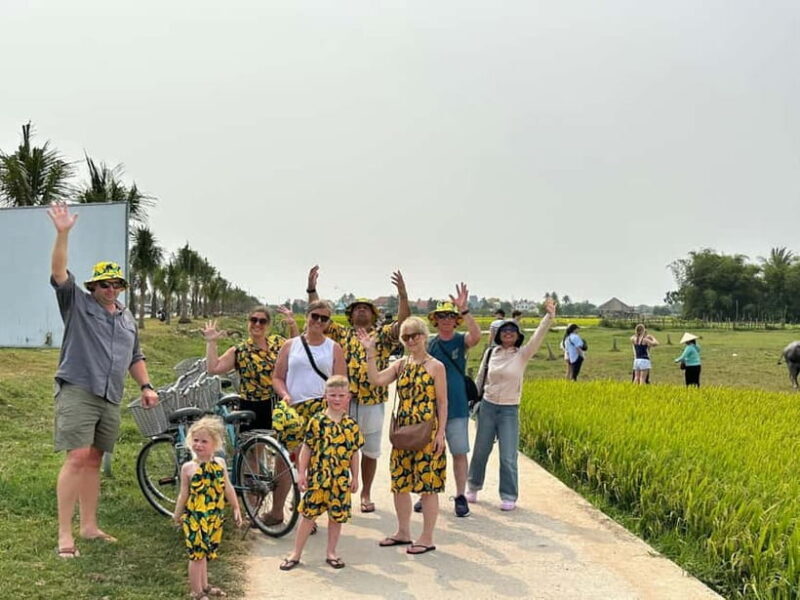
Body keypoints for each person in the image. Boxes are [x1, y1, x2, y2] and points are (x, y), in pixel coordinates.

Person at [47, 202, 159, 559]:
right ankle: (65, 534)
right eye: (105, 284)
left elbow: (135, 356)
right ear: (94, 285)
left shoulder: (127, 319)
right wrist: (63, 233)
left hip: (110, 396)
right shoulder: (77, 304)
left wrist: (146, 386)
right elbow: (59, 273)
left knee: (95, 460)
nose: (111, 289)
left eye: (117, 285)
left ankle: (89, 526)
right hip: (79, 388)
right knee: (77, 457)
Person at [306, 265, 410, 513]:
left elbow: (403, 323)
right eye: (357, 309)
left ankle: (365, 492)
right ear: (350, 316)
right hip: (343, 401)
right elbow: (317, 315)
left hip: (372, 401)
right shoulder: (341, 334)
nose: (361, 311)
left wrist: (403, 296)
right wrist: (312, 289)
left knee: (370, 451)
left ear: (373, 316)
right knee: (340, 445)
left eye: (366, 308)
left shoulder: (383, 336)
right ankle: (341, 490)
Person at [203, 306, 300, 526]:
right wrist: (211, 342)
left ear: (269, 324)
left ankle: (277, 510)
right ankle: (252, 509)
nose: (257, 325)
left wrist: (293, 324)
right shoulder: (240, 351)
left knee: (283, 458)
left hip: (278, 404)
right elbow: (214, 368)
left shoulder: (278, 343)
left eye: (262, 321)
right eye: (253, 320)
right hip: (251, 407)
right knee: (252, 457)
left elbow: (299, 350)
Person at [359, 317, 447, 556]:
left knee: (428, 486)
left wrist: (441, 433)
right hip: (403, 432)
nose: (411, 340)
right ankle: (403, 531)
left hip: (428, 432)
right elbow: (376, 380)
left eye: (415, 335)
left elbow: (442, 401)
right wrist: (370, 353)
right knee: (400, 483)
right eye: (406, 337)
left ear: (424, 336)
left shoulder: (436, 366)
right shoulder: (401, 365)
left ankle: (427, 537)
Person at [467, 299, 556, 511]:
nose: (508, 333)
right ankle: (473, 486)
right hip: (487, 407)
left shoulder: (522, 355)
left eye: (512, 331)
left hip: (509, 409)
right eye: (504, 331)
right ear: (499, 335)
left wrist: (549, 317)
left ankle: (508, 495)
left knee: (508, 454)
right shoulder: (491, 353)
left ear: (517, 336)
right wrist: (473, 400)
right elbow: (481, 377)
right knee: (481, 449)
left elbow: (537, 337)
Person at [279, 375, 364, 571]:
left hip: (340, 481)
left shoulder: (351, 425)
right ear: (325, 396)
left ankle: (331, 552)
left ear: (348, 397)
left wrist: (355, 477)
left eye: (341, 395)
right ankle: (296, 553)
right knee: (308, 516)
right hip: (318, 479)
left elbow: (354, 453)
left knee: (336, 518)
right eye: (332, 395)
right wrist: (301, 473)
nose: (336, 399)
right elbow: (307, 448)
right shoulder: (316, 421)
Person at [416, 285, 481, 517]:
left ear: (456, 321)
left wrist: (464, 310)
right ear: (435, 320)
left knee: (459, 452)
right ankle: (427, 493)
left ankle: (460, 495)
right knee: (429, 452)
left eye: (450, 316)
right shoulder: (429, 343)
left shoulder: (460, 340)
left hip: (457, 405)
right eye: (442, 316)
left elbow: (476, 337)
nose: (446, 320)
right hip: (430, 409)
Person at [173, 416, 242, 600]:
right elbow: (184, 494)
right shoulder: (188, 468)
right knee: (196, 555)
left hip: (214, 517)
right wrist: (177, 515)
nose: (199, 445)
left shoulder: (219, 464)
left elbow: (228, 487)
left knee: (205, 554)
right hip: (195, 518)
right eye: (195, 440)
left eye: (204, 441)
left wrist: (236, 507)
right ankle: (196, 592)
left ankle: (204, 586)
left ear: (215, 444)